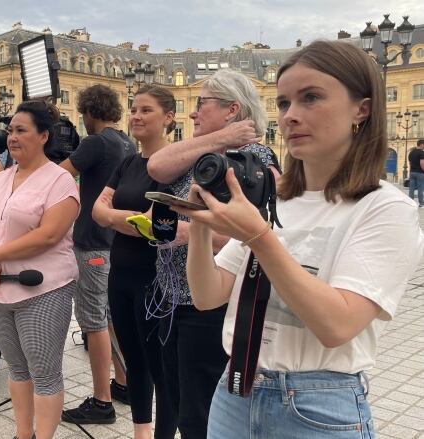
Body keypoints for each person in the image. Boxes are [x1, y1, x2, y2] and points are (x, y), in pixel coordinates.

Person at [178, 40, 423, 439]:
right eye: (284, 103)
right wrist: (202, 223)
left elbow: (337, 324)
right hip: (234, 389)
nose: (291, 116)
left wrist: (259, 235)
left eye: (311, 98)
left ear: (361, 109)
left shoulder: (385, 208)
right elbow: (207, 296)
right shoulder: (278, 200)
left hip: (317, 405)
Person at [146, 69, 280, 439]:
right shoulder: (204, 149)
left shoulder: (254, 157)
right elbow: (156, 165)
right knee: (173, 398)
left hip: (210, 304)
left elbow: (262, 231)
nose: (192, 113)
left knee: (199, 412)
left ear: (232, 108)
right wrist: (220, 137)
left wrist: (188, 233)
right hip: (171, 298)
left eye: (201, 104)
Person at [0, 100, 79, 439]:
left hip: (43, 289)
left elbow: (48, 235)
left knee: (45, 372)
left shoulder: (60, 181)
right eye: (10, 131)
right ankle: (23, 434)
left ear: (44, 135)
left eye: (22, 130)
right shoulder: (1, 177)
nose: (12, 137)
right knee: (17, 369)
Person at [91, 85, 175, 439]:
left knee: (160, 366)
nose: (136, 116)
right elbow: (96, 210)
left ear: (168, 118)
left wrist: (114, 217)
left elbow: (154, 226)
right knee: (133, 359)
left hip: (153, 278)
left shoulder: (172, 166)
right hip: (119, 273)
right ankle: (141, 431)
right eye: (134, 109)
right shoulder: (128, 161)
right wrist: (127, 219)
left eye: (146, 110)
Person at [60, 84, 134, 425]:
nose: (82, 119)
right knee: (110, 316)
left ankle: (101, 401)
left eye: (83, 113)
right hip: (114, 241)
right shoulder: (125, 142)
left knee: (93, 320)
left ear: (90, 111)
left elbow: (59, 176)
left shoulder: (96, 142)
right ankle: (124, 383)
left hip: (92, 242)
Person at [407, 139, 424, 206]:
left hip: (412, 172)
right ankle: (421, 203)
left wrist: (410, 172)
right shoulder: (422, 153)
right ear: (421, 144)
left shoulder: (411, 152)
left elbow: (410, 163)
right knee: (420, 188)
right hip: (420, 173)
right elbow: (422, 163)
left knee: (411, 188)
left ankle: (410, 203)